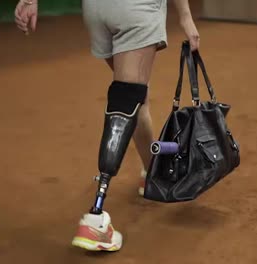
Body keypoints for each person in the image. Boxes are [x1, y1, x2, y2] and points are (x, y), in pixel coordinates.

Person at [14, 0, 200, 252]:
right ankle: (95, 218)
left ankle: (154, 175)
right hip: (135, 9)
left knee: (135, 97)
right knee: (127, 99)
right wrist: (186, 17)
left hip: (97, 10)